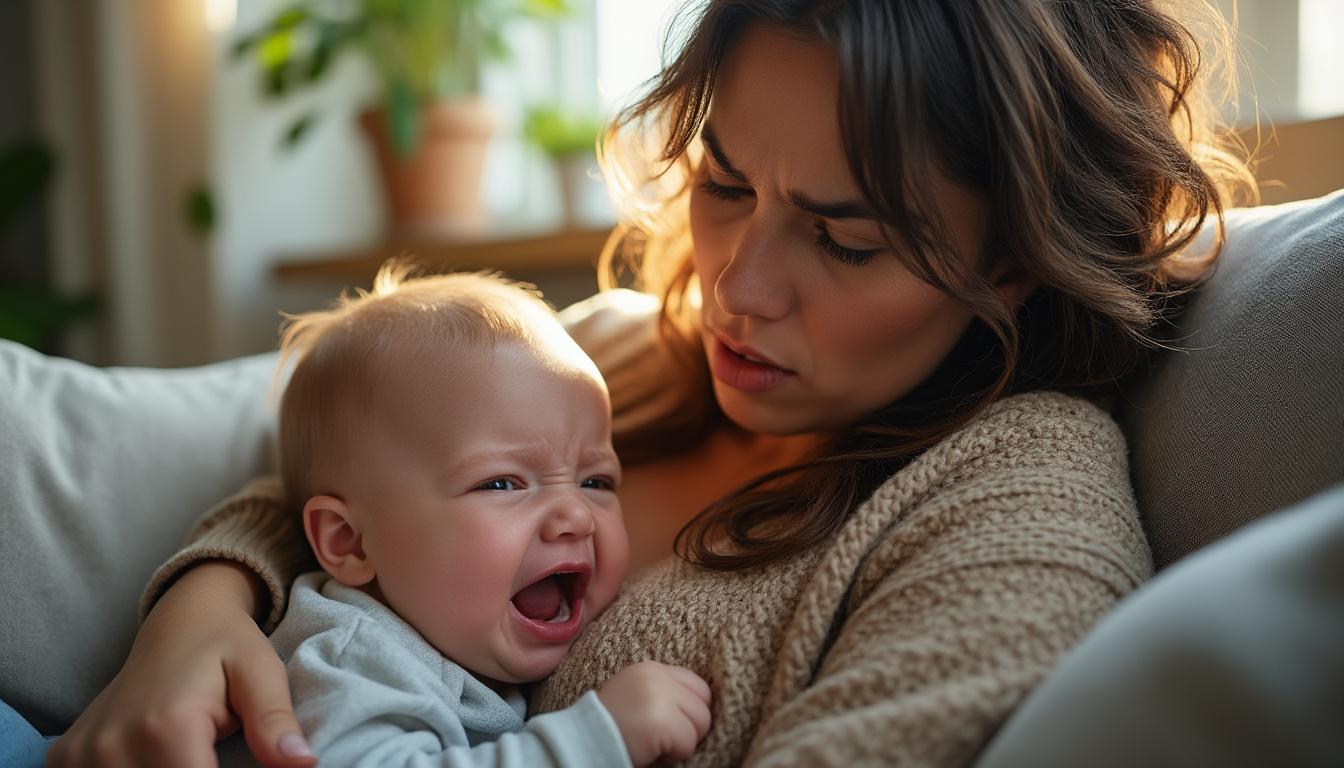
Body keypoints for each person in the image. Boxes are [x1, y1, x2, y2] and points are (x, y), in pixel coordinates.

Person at [48, 0, 1254, 766]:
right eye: (726, 185)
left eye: (844, 239)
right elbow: (339, 475)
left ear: (1014, 261)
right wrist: (196, 617)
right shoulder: (626, 349)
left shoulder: (1018, 493)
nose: (740, 288)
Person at [208, 268, 709, 767]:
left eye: (595, 482)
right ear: (349, 542)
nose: (576, 516)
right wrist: (593, 741)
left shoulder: (458, 636)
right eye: (500, 483)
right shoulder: (352, 659)